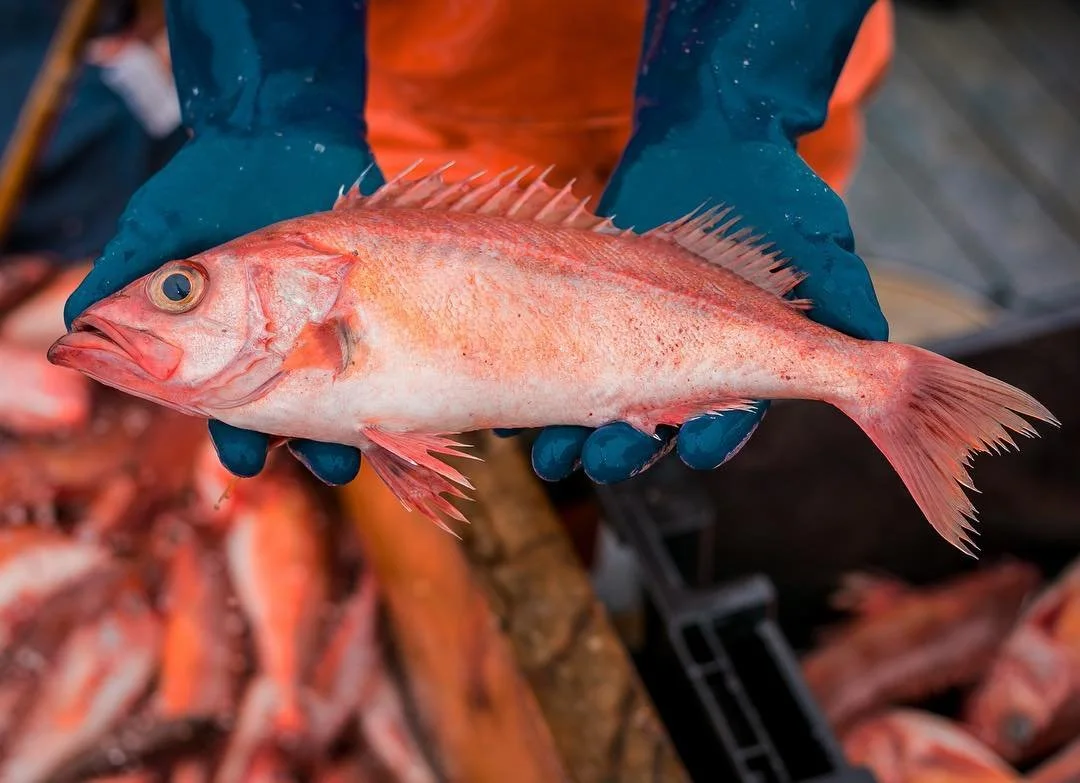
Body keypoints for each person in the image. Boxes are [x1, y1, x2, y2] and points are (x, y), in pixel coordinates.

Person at [62, 0, 893, 488]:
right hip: (392, 105)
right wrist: (272, 89)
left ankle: (858, 385)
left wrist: (735, 98)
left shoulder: (313, 324)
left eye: (182, 289)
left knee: (669, 466)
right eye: (181, 290)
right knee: (582, 464)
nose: (165, 296)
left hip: (749, 84)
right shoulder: (310, 273)